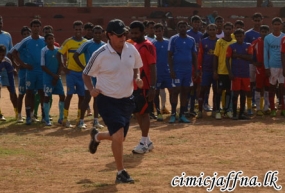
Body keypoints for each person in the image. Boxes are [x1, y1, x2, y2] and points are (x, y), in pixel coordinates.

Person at [83, 19, 143, 183]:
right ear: (109, 35)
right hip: (107, 100)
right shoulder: (100, 54)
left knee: (120, 137)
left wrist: (137, 77)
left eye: (124, 33)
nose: (123, 37)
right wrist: (91, 89)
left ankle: (97, 137)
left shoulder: (131, 49)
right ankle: (120, 172)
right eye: (118, 35)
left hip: (126, 100)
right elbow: (86, 74)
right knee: (118, 136)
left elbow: (136, 65)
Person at [13, 19, 46, 125]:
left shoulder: (43, 40)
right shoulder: (26, 40)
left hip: (41, 71)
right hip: (30, 71)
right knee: (29, 92)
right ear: (31, 28)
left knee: (42, 93)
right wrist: (23, 65)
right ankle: (27, 116)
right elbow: (14, 52)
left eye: (38, 26)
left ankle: (44, 116)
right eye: (34, 26)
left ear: (40, 28)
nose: (36, 28)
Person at [130, 20, 156, 154]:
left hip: (145, 85)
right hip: (135, 86)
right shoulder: (134, 45)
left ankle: (143, 142)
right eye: (132, 32)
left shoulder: (148, 45)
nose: (134, 35)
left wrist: (152, 87)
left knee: (145, 114)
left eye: (136, 33)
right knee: (137, 113)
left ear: (143, 32)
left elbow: (153, 66)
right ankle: (148, 141)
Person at [73, 25, 105, 129]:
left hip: (100, 75)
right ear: (92, 33)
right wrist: (84, 67)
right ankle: (81, 121)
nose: (97, 34)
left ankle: (95, 121)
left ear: (102, 33)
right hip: (90, 75)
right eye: (95, 33)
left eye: (99, 33)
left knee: (98, 98)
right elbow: (75, 55)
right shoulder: (87, 44)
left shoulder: (105, 45)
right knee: (87, 97)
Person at [57, 20, 87, 127]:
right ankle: (65, 118)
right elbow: (59, 53)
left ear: (82, 30)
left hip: (82, 74)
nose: (78, 31)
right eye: (76, 29)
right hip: (71, 73)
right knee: (69, 95)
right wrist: (63, 67)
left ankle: (79, 119)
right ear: (73, 30)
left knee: (81, 97)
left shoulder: (86, 42)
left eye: (80, 29)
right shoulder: (68, 42)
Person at [168, 20, 198, 123]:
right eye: (180, 27)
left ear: (187, 27)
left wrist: (196, 69)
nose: (182, 28)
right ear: (177, 28)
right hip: (177, 70)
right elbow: (169, 55)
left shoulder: (191, 40)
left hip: (188, 70)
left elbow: (194, 56)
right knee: (176, 90)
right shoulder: (174, 39)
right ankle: (173, 114)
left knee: (185, 91)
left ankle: (182, 114)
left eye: (184, 26)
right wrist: (171, 69)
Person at [226, 28, 253, 120]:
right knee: (235, 93)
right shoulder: (231, 46)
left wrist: (238, 55)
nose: (239, 38)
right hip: (235, 73)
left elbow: (250, 57)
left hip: (245, 74)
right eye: (237, 36)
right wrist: (230, 73)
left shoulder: (248, 45)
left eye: (240, 36)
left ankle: (241, 113)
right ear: (235, 37)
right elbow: (227, 59)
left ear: (244, 36)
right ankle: (234, 113)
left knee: (243, 93)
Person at [40, 33, 65, 126]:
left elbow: (61, 64)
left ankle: (61, 118)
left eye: (52, 38)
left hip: (57, 77)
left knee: (62, 96)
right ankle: (46, 119)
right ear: (45, 41)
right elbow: (43, 66)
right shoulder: (44, 50)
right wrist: (53, 75)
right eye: (48, 39)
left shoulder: (58, 50)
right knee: (47, 97)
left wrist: (57, 76)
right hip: (48, 78)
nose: (50, 40)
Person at [7, 26, 31, 123]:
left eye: (27, 34)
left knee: (31, 94)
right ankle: (19, 115)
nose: (26, 36)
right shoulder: (19, 44)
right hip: (22, 72)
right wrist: (16, 65)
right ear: (21, 36)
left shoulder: (32, 43)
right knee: (21, 94)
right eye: (24, 34)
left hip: (31, 71)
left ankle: (31, 115)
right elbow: (10, 54)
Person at [213, 22, 236, 120]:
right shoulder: (219, 42)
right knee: (219, 91)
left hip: (231, 71)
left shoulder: (234, 42)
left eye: (229, 29)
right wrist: (215, 71)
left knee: (229, 91)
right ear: (223, 29)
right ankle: (217, 110)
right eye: (226, 29)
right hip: (221, 71)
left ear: (232, 30)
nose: (228, 30)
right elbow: (215, 56)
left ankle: (227, 110)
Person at [264, 17, 285, 117]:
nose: (277, 26)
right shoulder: (268, 38)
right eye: (275, 24)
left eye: (278, 24)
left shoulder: (284, 37)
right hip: (272, 66)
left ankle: (283, 108)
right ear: (272, 25)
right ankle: (272, 108)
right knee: (272, 87)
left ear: (281, 25)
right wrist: (266, 67)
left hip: (283, 66)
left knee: (282, 87)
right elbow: (265, 53)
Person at [197, 24, 218, 118]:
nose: (212, 31)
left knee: (216, 90)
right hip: (206, 70)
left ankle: (215, 110)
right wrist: (199, 68)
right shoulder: (203, 41)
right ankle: (200, 110)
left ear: (216, 30)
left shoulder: (219, 41)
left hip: (217, 70)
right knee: (203, 90)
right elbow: (200, 55)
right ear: (207, 31)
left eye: (214, 29)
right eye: (210, 29)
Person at [152, 23, 172, 121]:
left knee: (172, 91)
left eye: (160, 31)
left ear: (163, 31)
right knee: (156, 93)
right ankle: (158, 112)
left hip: (168, 72)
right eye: (156, 31)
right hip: (157, 73)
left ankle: (173, 112)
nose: (158, 33)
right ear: (154, 32)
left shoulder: (168, 42)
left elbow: (172, 56)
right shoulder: (153, 44)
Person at [244, 12, 263, 115]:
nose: (257, 22)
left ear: (262, 20)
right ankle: (250, 103)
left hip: (261, 63)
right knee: (251, 83)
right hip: (251, 63)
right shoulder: (248, 34)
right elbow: (246, 49)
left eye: (258, 20)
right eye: (255, 20)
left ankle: (259, 103)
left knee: (260, 84)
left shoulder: (265, 32)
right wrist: (253, 62)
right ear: (252, 21)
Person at [252, 25, 270, 116]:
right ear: (260, 32)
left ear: (268, 32)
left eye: (265, 32)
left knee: (267, 87)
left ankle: (266, 107)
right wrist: (254, 62)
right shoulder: (256, 42)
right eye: (262, 31)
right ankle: (258, 108)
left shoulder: (270, 41)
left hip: (269, 68)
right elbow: (250, 53)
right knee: (258, 87)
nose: (264, 33)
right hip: (259, 68)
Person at [0, 16, 16, 121]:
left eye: (0, 22)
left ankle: (17, 112)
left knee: (12, 89)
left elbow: (10, 51)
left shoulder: (7, 35)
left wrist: (12, 66)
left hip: (6, 65)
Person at [0, 45, 16, 117]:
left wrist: (12, 90)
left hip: (4, 73)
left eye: (3, 55)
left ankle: (17, 113)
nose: (1, 57)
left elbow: (10, 77)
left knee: (13, 93)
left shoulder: (7, 61)